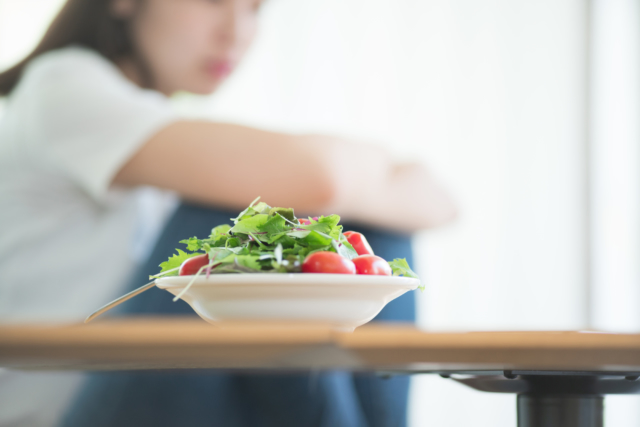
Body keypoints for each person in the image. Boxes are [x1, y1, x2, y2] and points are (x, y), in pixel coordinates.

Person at [0, 0, 457, 426]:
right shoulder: (63, 86)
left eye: (255, 7)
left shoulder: (147, 117)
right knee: (244, 215)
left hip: (145, 387)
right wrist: (388, 170)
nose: (236, 32)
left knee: (367, 228)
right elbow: (323, 179)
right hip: (64, 413)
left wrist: (358, 183)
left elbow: (441, 202)